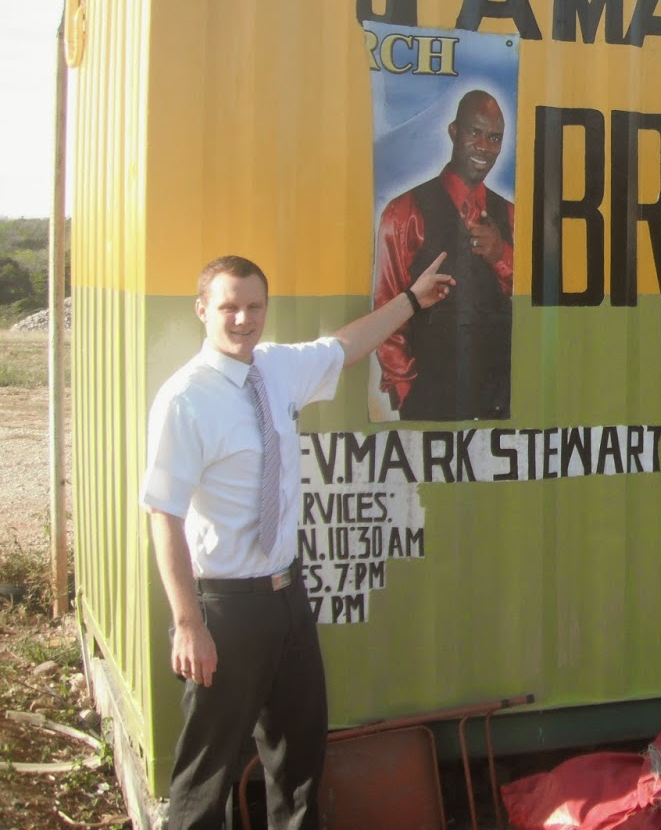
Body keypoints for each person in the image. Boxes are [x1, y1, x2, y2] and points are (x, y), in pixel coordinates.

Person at [140, 252, 455, 829]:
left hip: (287, 595)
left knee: (299, 756)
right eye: (229, 307)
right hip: (225, 606)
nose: (243, 319)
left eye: (254, 306)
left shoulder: (277, 368)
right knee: (208, 770)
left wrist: (411, 300)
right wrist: (188, 624)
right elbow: (164, 513)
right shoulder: (185, 399)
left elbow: (346, 345)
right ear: (202, 310)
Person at [373, 88, 513, 420]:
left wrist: (500, 255)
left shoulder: (509, 215)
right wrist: (408, 393)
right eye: (474, 132)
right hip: (430, 404)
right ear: (454, 131)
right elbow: (387, 309)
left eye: (494, 138)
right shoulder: (404, 212)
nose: (484, 146)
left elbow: (533, 305)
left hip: (499, 406)